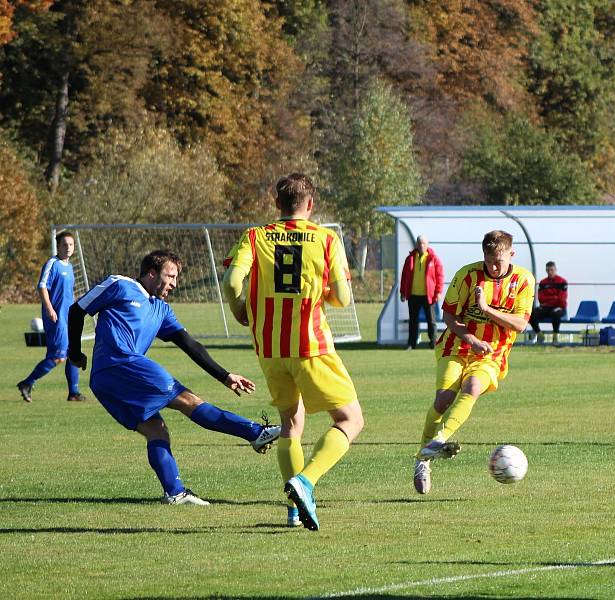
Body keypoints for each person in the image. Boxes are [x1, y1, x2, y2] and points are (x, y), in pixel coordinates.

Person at [67, 250, 281, 506]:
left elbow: (189, 344)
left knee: (157, 430)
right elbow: (76, 310)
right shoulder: (120, 285)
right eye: (170, 276)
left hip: (107, 381)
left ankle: (175, 493)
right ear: (151, 273)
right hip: (121, 366)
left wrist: (225, 376)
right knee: (189, 401)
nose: (175, 283)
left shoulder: (161, 309)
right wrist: (75, 352)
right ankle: (255, 433)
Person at [222, 173, 364, 531]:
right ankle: (306, 481)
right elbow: (343, 298)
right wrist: (325, 293)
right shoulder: (326, 239)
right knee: (350, 420)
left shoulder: (255, 237)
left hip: (269, 347)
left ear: (277, 204)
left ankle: (293, 510)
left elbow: (231, 281)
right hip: (310, 344)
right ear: (311, 205)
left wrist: (240, 309)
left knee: (291, 425)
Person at [413, 230, 534, 494]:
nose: (492, 267)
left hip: (493, 352)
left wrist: (487, 308)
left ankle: (438, 441)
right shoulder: (467, 275)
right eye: (489, 261)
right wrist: (472, 339)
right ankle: (422, 462)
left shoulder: (524, 280)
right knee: (443, 400)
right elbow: (448, 316)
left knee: (472, 387)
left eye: (498, 262)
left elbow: (521, 324)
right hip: (456, 345)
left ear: (511, 255)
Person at [17, 230, 86, 403]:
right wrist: (49, 309)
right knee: (58, 357)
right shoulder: (52, 264)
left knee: (72, 353)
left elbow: (68, 293)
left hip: (68, 318)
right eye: (65, 244)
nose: (68, 248)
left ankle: (74, 392)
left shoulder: (69, 267)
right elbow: (42, 287)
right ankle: (27, 383)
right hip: (56, 318)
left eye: (71, 245)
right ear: (58, 246)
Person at [399, 236, 445, 349]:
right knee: (413, 321)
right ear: (416, 244)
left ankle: (433, 343)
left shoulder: (433, 258)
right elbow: (404, 276)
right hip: (413, 295)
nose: (421, 245)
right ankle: (411, 343)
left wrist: (438, 292)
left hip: (428, 296)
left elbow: (440, 276)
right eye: (419, 243)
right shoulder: (410, 258)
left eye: (424, 243)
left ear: (427, 244)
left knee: (431, 321)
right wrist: (403, 292)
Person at [529, 261, 567, 345]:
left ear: (556, 269)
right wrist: (554, 297)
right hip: (546, 308)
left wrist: (549, 300)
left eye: (552, 270)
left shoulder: (562, 281)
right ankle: (540, 335)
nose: (550, 272)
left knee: (556, 313)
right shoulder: (543, 283)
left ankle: (555, 338)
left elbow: (561, 299)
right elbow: (541, 299)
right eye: (548, 270)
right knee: (530, 313)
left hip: (559, 308)